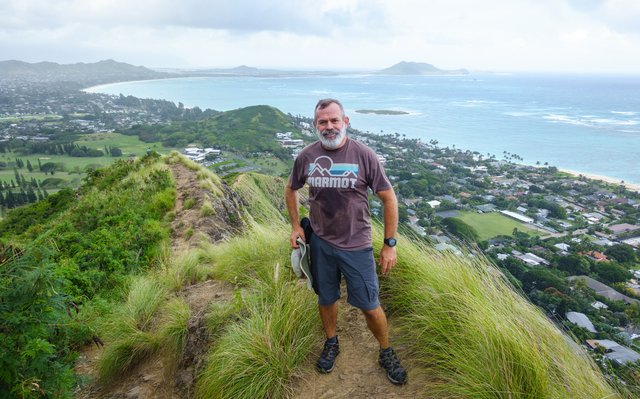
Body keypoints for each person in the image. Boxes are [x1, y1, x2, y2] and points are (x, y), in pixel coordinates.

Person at [285, 98, 407, 385]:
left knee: (369, 303)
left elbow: (389, 198)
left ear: (345, 121)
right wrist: (295, 227)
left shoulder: (364, 155)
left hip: (356, 244)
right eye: (322, 122)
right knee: (326, 298)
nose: (329, 127)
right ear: (315, 125)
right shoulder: (306, 156)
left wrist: (390, 243)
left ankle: (385, 350)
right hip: (321, 243)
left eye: (333, 120)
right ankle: (331, 342)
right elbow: (290, 189)